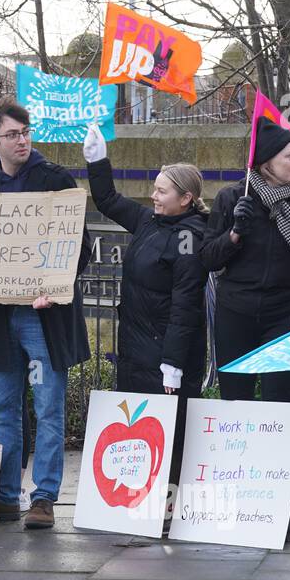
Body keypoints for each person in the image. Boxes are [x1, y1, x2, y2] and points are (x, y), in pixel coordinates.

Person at [0, 97, 91, 529]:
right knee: (1, 410)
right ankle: (5, 496)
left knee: (48, 408)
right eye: (12, 135)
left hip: (43, 318)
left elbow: (81, 248)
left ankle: (43, 498)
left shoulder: (56, 180)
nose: (21, 140)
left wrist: (55, 288)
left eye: (26, 132)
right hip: (0, 319)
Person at [83, 125, 207, 506]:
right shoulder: (148, 222)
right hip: (135, 348)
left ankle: (168, 505)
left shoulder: (190, 236)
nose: (153, 195)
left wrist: (172, 364)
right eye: (154, 188)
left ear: (185, 198)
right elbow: (106, 199)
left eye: (162, 190)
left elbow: (186, 305)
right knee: (136, 430)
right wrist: (97, 160)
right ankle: (136, 501)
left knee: (168, 430)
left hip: (165, 352)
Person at [200, 119, 290, 403]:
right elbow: (208, 259)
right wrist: (234, 234)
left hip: (285, 315)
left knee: (278, 400)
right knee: (235, 399)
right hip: (235, 313)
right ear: (267, 161)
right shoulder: (232, 198)